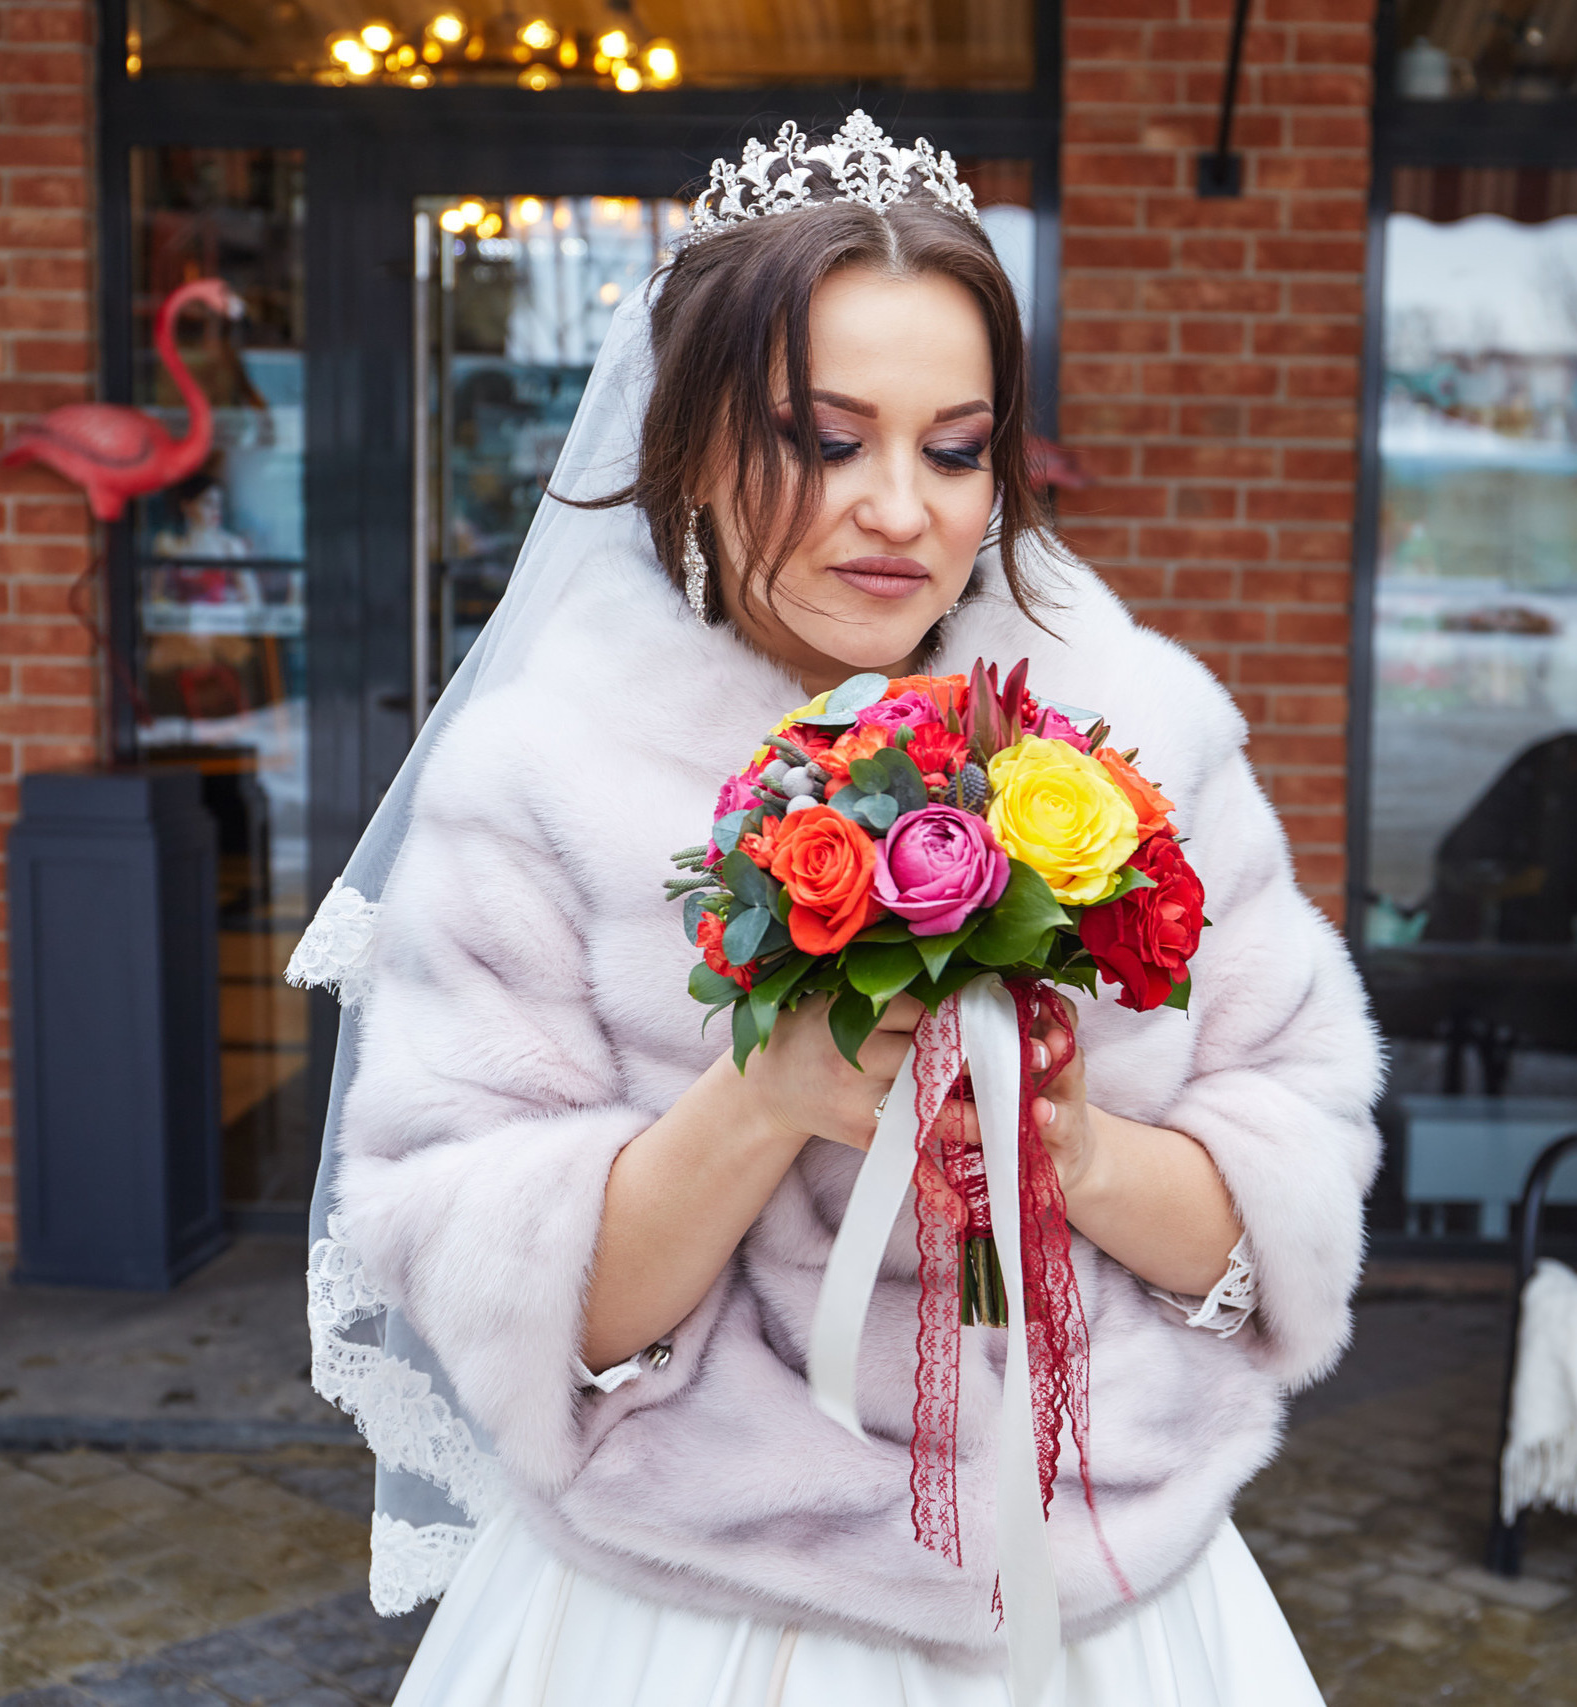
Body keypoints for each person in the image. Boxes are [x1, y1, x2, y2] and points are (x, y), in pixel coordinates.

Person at [290, 113, 1381, 1707]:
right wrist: (769, 1096)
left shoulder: (1142, 732)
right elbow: (513, 1298)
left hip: (1107, 1604)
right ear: (688, 436)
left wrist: (1075, 1152)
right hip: (700, 1624)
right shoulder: (538, 779)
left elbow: (1292, 1181)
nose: (901, 509)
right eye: (824, 437)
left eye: (954, 447)